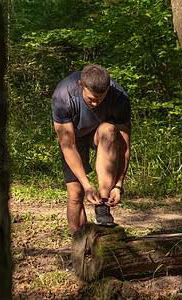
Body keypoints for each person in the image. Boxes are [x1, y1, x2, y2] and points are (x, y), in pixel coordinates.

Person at [51, 64, 131, 270]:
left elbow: (124, 146)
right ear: (80, 85)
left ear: (108, 90)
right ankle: (79, 252)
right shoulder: (63, 95)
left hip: (100, 132)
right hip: (73, 137)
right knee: (75, 193)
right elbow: (67, 145)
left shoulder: (119, 96)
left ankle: (102, 206)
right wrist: (87, 185)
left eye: (100, 98)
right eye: (90, 98)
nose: (95, 103)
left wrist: (118, 185)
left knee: (109, 129)